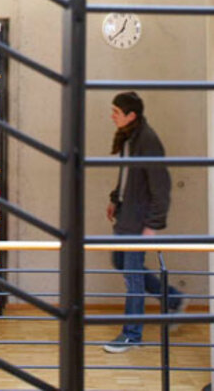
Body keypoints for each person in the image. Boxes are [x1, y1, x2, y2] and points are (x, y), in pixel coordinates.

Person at [103, 91, 185, 352]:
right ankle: (172, 299)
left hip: (139, 221)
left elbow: (161, 187)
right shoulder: (130, 137)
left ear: (131, 115)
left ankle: (131, 335)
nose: (112, 116)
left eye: (116, 112)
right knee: (120, 262)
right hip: (126, 215)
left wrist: (152, 225)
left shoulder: (148, 141)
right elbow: (128, 176)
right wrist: (115, 198)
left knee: (133, 274)